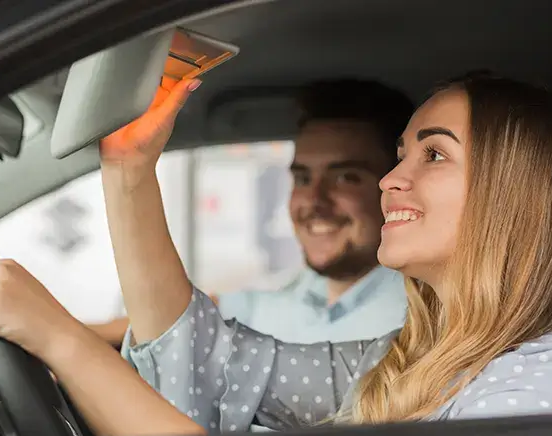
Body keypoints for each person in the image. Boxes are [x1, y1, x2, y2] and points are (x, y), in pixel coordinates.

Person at [0, 73, 552, 436]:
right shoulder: (411, 363)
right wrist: (129, 173)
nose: (392, 180)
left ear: (513, 196)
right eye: (400, 154)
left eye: (433, 155)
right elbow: (210, 358)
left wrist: (60, 339)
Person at [89, 79, 413, 346]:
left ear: (396, 186)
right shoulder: (305, 293)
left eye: (346, 177)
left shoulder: (418, 318)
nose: (314, 201)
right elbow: (191, 316)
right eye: (302, 178)